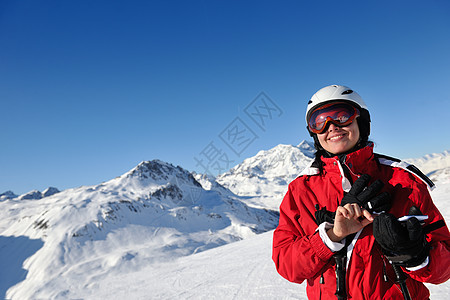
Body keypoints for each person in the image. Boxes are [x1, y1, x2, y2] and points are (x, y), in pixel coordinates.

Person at [272, 85, 450, 299]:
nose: (331, 126)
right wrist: (331, 236)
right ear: (313, 132)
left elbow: (444, 267)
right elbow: (288, 266)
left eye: (341, 116)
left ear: (361, 122)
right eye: (319, 121)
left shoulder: (403, 181)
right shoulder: (301, 190)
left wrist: (414, 255)